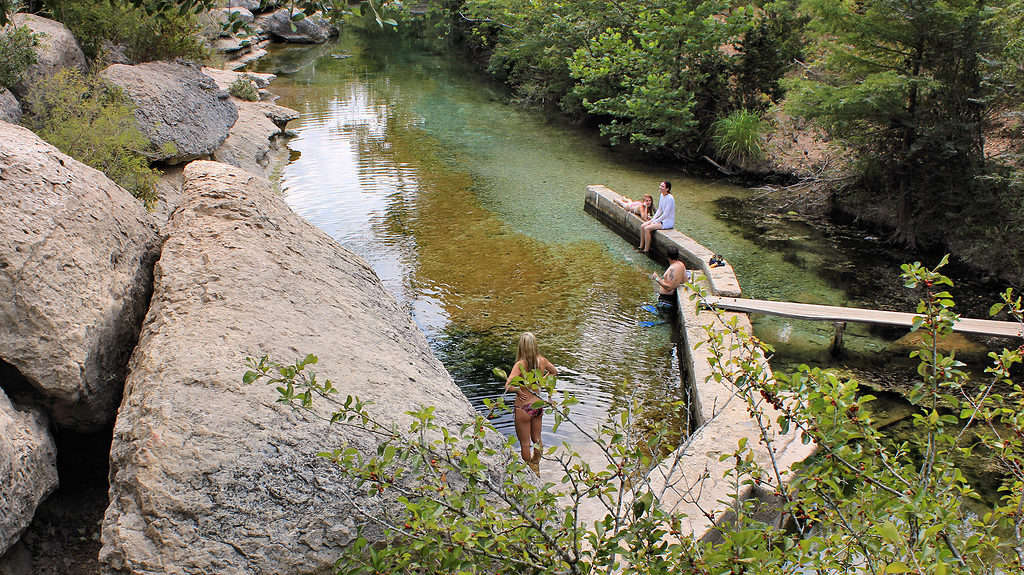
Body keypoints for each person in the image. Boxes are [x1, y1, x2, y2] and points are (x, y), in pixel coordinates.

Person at [505, 332, 557, 473]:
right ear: (535, 345)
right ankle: (536, 465)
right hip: (538, 405)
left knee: (525, 443)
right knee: (537, 439)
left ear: (521, 347)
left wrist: (517, 390)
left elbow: (508, 386)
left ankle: (528, 470)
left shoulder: (520, 364)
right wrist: (544, 383)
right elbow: (554, 372)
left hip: (523, 407)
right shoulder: (542, 361)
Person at [638, 181, 675, 253]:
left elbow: (666, 214)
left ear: (667, 189)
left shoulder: (670, 198)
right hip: (661, 220)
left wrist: (655, 221)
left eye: (662, 186)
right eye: (660, 186)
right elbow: (660, 210)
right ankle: (640, 247)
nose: (660, 187)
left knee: (647, 228)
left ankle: (646, 250)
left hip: (667, 222)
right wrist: (653, 219)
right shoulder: (662, 195)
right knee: (642, 226)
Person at [651, 246, 687, 311]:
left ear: (668, 257)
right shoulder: (681, 264)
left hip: (666, 301)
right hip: (670, 299)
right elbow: (683, 281)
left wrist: (657, 278)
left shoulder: (672, 269)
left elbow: (669, 287)